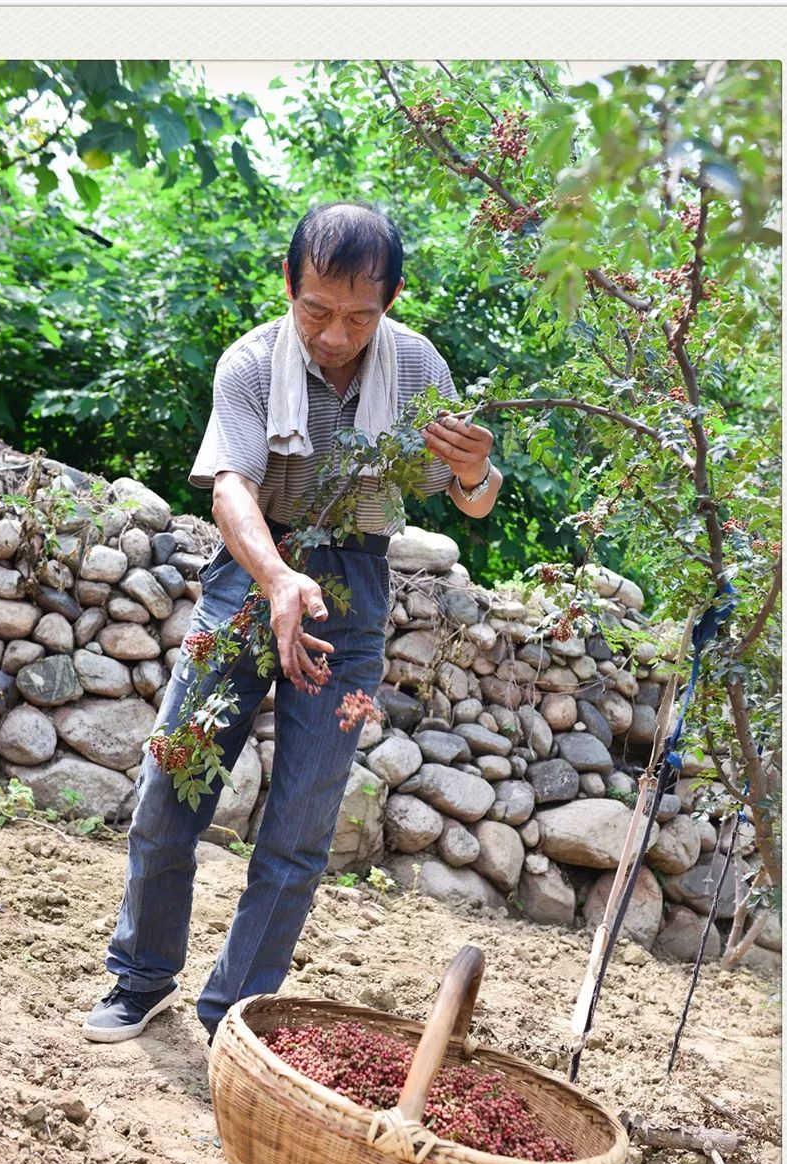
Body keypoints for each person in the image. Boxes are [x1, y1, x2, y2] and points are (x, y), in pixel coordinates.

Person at [83, 202, 503, 1049]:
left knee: (302, 827)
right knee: (174, 782)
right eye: (317, 310)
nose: (336, 335)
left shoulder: (419, 367)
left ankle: (232, 1012)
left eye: (360, 315)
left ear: (390, 299)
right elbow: (231, 487)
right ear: (289, 286)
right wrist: (275, 578)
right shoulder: (249, 364)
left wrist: (476, 468)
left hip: (355, 589)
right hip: (251, 572)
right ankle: (140, 977)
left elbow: (466, 496)